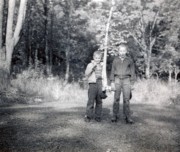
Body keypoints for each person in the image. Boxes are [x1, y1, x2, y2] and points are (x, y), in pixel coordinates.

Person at [110, 43, 136, 124]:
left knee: (126, 99)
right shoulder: (115, 60)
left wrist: (132, 83)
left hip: (126, 80)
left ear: (126, 51)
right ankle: (114, 115)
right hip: (117, 79)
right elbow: (112, 71)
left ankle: (127, 116)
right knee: (116, 99)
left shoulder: (129, 60)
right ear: (118, 52)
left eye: (123, 51)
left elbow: (132, 72)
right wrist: (112, 82)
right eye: (120, 51)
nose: (122, 52)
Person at [84, 51, 106, 122]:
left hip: (99, 83)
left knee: (99, 101)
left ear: (100, 58)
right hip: (92, 84)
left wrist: (104, 85)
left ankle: (98, 116)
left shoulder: (102, 65)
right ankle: (88, 116)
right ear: (93, 58)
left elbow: (104, 76)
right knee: (91, 101)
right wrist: (92, 67)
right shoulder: (90, 65)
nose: (97, 59)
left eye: (99, 58)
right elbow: (86, 74)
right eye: (96, 58)